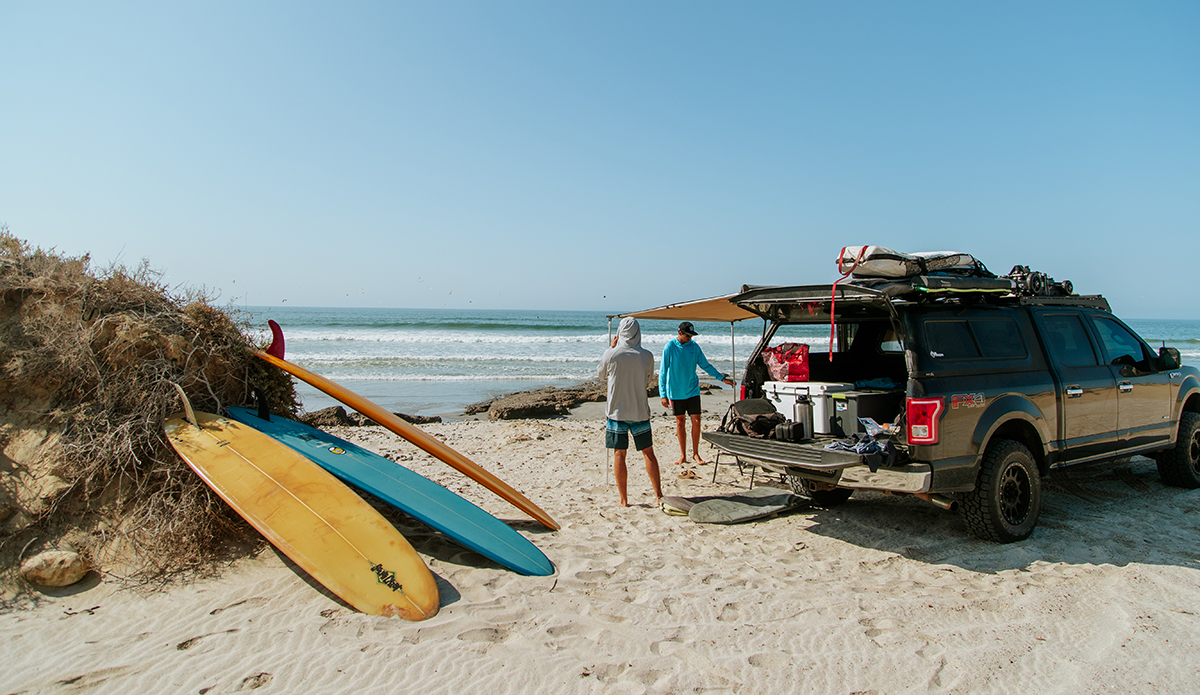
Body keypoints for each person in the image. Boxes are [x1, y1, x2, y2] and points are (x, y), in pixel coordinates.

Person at [598, 317, 664, 507]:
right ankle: (658, 495)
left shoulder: (612, 354)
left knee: (620, 454)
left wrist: (611, 348)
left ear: (619, 333)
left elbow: (601, 373)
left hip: (617, 412)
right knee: (648, 453)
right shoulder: (646, 355)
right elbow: (649, 379)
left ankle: (624, 499)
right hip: (639, 410)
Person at [659, 321, 735, 465]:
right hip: (675, 392)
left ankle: (696, 454)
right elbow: (663, 372)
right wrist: (663, 394)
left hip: (693, 390)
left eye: (691, 336)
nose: (690, 338)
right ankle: (683, 455)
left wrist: (722, 378)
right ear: (680, 333)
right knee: (680, 422)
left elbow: (705, 365)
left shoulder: (694, 347)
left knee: (697, 421)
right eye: (687, 335)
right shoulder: (670, 347)